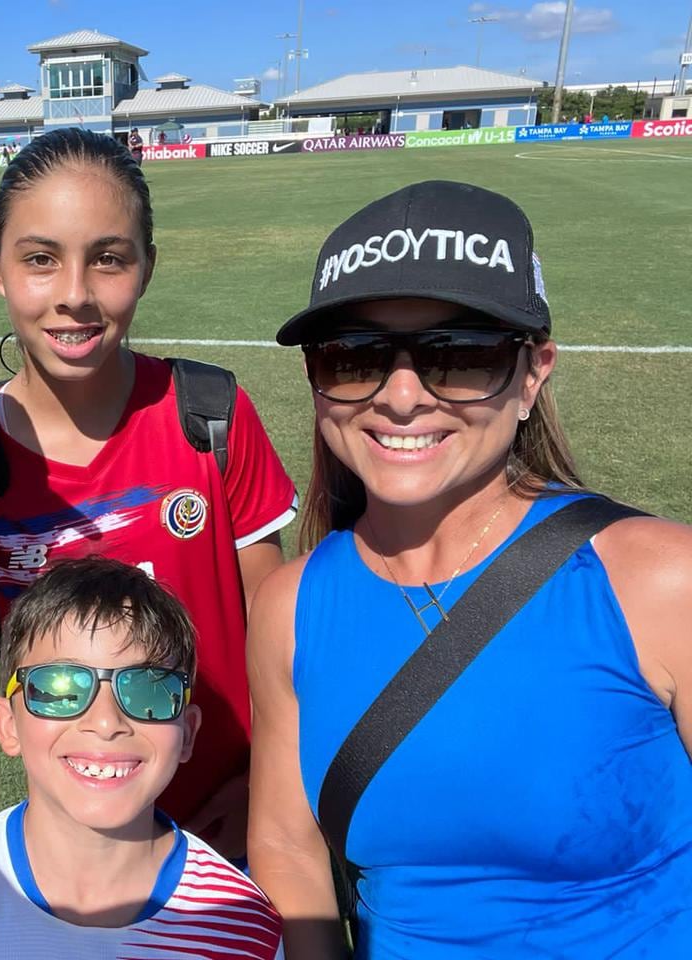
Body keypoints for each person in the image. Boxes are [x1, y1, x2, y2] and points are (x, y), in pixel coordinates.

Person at [246, 180, 692, 958]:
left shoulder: (659, 581)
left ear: (532, 374)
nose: (402, 397)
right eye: (354, 356)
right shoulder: (291, 608)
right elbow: (287, 849)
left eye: (460, 355)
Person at [0, 128, 297, 860]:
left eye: (109, 258)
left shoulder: (212, 416)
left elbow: (275, 640)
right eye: (41, 259)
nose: (75, 295)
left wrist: (263, 788)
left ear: (147, 267)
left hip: (234, 822)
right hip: (78, 837)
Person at [0, 558, 283, 960]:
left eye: (148, 690)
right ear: (7, 725)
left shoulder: (242, 925)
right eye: (60, 689)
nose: (106, 722)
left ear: (187, 733)